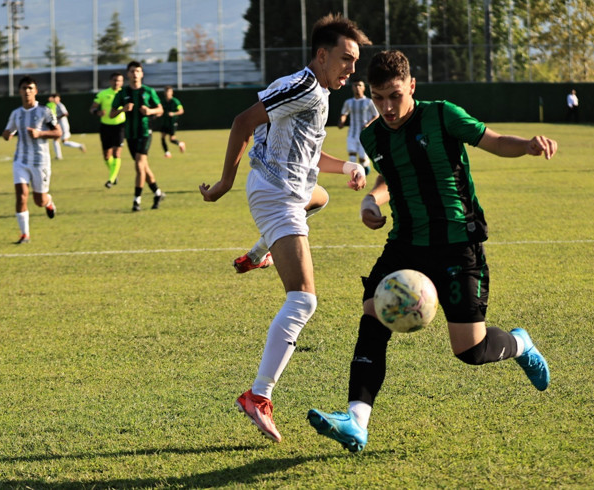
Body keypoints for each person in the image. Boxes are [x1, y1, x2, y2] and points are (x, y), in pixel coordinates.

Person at [307, 49, 556, 453]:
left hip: (458, 243)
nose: (387, 106)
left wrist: (527, 144)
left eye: (394, 95)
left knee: (470, 350)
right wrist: (372, 202)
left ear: (412, 87)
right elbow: (393, 179)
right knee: (372, 314)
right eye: (378, 97)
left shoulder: (442, 115)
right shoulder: (373, 135)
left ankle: (520, 344)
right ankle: (356, 420)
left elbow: (493, 141)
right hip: (405, 243)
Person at [198, 13, 371, 443]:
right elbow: (243, 122)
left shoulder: (311, 89)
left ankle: (259, 253)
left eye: (355, 62)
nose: (351, 69)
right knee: (303, 302)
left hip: (289, 189)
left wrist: (347, 164)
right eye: (346, 59)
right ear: (321, 54)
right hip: (277, 195)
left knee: (323, 197)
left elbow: (310, 157)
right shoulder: (306, 87)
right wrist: (223, 184)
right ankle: (259, 395)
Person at [2, 76, 62, 244]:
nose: (27, 91)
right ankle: (25, 234)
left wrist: (40, 134)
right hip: (20, 160)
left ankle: (48, 201)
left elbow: (58, 133)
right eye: (24, 88)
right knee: (21, 196)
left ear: (35, 91)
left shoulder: (44, 111)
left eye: (30, 88)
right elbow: (8, 133)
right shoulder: (16, 114)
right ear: (19, 91)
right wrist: (7, 135)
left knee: (39, 200)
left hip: (40, 161)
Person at [110, 61, 166, 212]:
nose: (135, 74)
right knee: (144, 167)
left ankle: (136, 201)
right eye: (132, 71)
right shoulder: (122, 93)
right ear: (128, 74)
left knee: (139, 166)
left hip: (145, 133)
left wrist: (150, 111)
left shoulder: (148, 91)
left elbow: (160, 110)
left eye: (138, 71)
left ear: (142, 74)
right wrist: (123, 109)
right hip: (130, 134)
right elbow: (111, 113)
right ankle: (157, 193)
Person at [90, 72, 126, 188]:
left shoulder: (124, 94)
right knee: (106, 156)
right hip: (105, 126)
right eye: (114, 80)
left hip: (119, 126)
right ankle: (114, 173)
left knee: (117, 153)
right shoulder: (103, 94)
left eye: (119, 80)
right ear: (110, 81)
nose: (117, 83)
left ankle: (111, 179)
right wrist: (97, 112)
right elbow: (92, 108)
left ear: (122, 82)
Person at [338, 79, 378, 174]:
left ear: (364, 88)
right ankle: (355, 177)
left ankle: (365, 167)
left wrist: (368, 124)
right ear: (352, 87)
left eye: (360, 85)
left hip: (364, 135)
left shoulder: (369, 102)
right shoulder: (348, 102)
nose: (357, 87)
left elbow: (376, 115)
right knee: (351, 157)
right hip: (352, 133)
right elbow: (344, 114)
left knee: (362, 160)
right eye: (355, 85)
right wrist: (342, 121)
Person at [159, 86, 186, 158]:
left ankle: (180, 143)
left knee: (171, 139)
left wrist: (173, 113)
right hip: (165, 122)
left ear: (172, 92)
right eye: (166, 91)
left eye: (169, 91)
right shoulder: (162, 101)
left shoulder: (175, 101)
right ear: (164, 92)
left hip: (172, 123)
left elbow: (181, 111)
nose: (168, 93)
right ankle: (167, 153)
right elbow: (160, 110)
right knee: (162, 137)